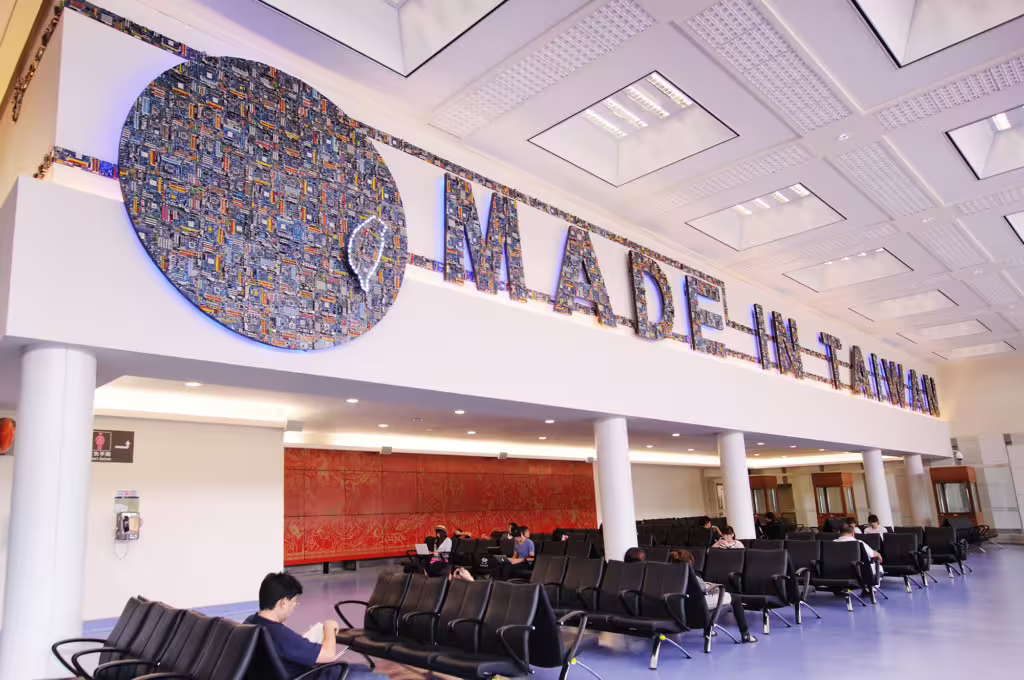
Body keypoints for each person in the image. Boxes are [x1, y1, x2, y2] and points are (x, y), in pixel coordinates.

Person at [244, 573, 344, 679]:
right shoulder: (281, 636)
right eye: (295, 601)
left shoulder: (249, 623)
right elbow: (329, 655)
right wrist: (329, 626)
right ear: (283, 603)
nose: (296, 605)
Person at [669, 550, 756, 643]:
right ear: (690, 563)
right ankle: (745, 634)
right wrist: (714, 588)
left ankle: (708, 630)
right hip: (697, 606)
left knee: (706, 601)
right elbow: (704, 589)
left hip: (678, 608)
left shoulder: (667, 575)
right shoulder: (692, 578)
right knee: (735, 598)